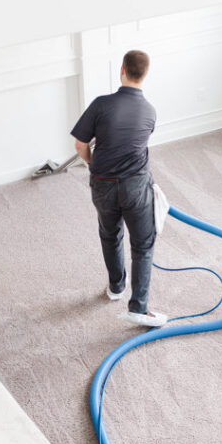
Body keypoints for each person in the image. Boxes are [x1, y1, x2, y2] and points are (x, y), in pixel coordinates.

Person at [71, 50, 167, 328]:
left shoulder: (101, 104)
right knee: (143, 245)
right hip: (136, 187)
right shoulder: (150, 111)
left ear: (121, 69)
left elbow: (80, 145)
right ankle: (139, 307)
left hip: (103, 185)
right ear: (145, 74)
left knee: (110, 233)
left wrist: (93, 164)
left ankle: (115, 287)